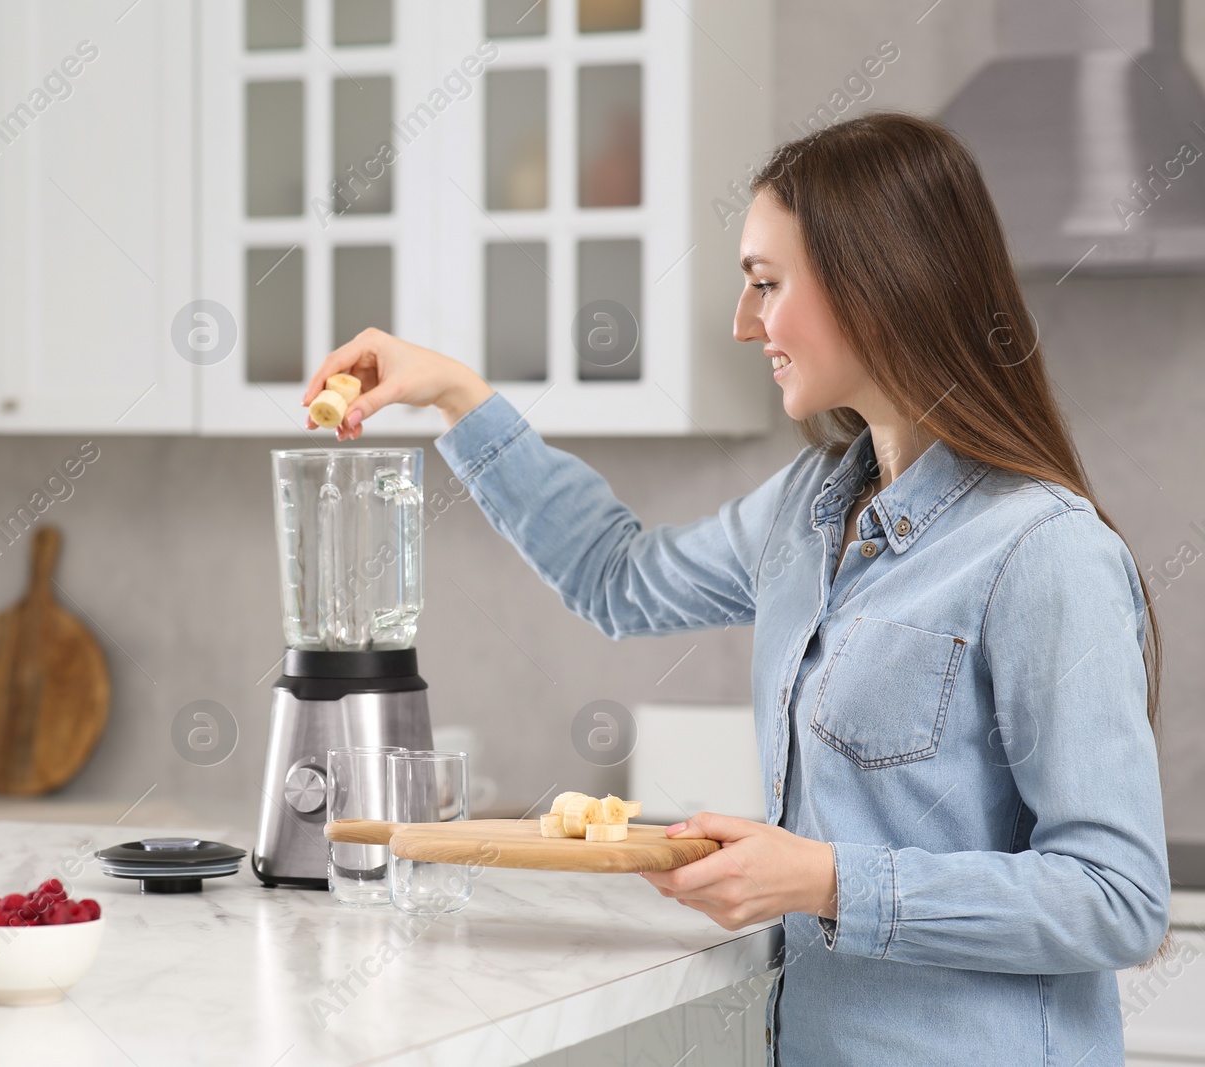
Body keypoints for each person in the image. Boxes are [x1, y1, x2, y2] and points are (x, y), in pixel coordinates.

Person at [301, 112, 1169, 1066]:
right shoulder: (807, 509)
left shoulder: (1043, 552)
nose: (743, 323)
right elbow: (615, 578)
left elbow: (1117, 896)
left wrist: (827, 880)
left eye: (765, 284)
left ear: (878, 285)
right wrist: (459, 396)